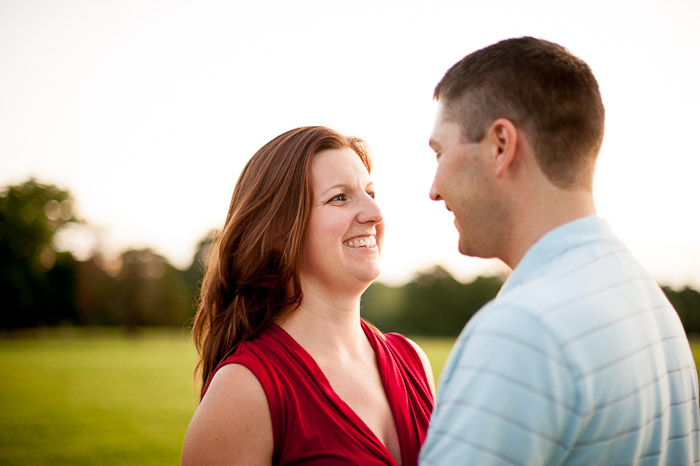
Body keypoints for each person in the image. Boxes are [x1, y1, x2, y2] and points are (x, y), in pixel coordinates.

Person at [419, 37, 699, 465]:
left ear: (500, 145)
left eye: (439, 152)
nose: (434, 189)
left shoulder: (521, 331)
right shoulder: (652, 307)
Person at [182, 126, 435, 466]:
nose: (374, 214)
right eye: (340, 197)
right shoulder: (244, 388)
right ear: (280, 231)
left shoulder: (412, 361)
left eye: (370, 192)